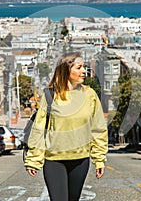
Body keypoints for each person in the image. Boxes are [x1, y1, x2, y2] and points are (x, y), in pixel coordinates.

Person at [24, 52, 108, 201]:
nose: (84, 71)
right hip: (54, 161)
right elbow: (39, 129)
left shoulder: (90, 95)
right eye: (79, 67)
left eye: (84, 67)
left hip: (80, 160)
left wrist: (99, 158)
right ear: (66, 70)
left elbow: (98, 128)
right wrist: (33, 159)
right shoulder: (50, 95)